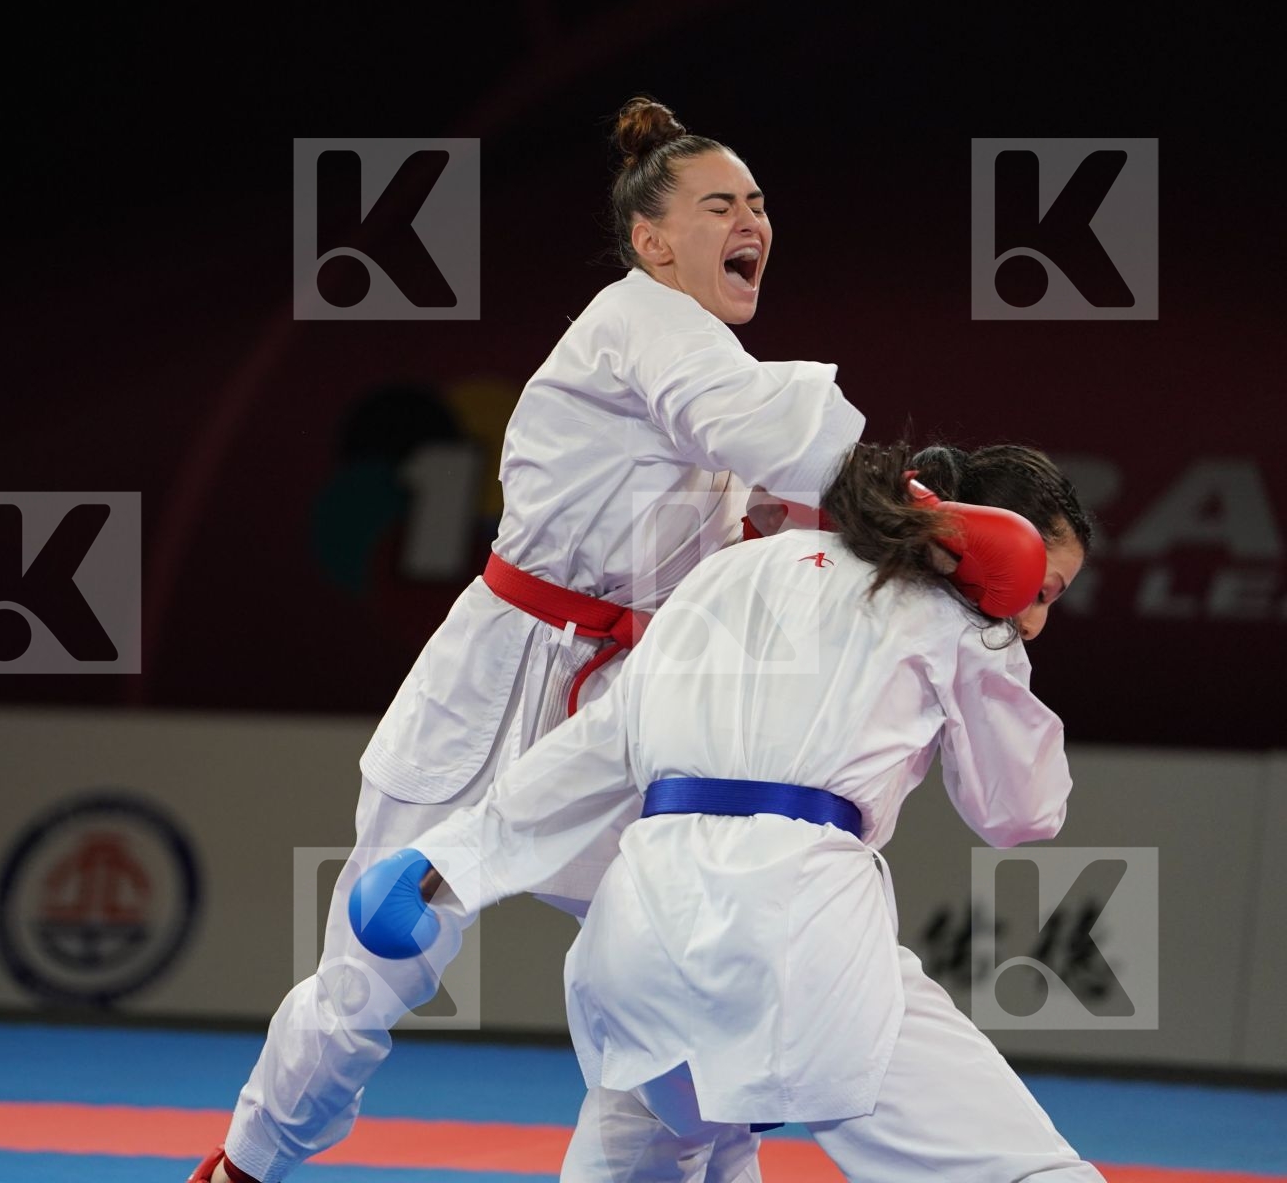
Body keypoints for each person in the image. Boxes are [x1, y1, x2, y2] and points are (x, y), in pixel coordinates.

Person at [188, 96, 866, 1183]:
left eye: (760, 203)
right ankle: (246, 1164)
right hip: (499, 670)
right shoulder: (639, 320)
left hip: (626, 708)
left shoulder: (719, 378)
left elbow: (775, 501)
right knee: (375, 967)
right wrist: (930, 513)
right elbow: (770, 433)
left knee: (694, 975)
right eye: (720, 203)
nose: (753, 220)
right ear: (652, 241)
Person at [352, 442, 1103, 1182]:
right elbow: (1023, 816)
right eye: (1041, 590)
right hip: (799, 935)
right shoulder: (963, 623)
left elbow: (595, 746)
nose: (1034, 619)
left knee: (655, 1146)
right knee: (1025, 1170)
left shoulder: (730, 569)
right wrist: (999, 648)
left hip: (641, 931)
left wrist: (445, 860)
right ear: (998, 545)